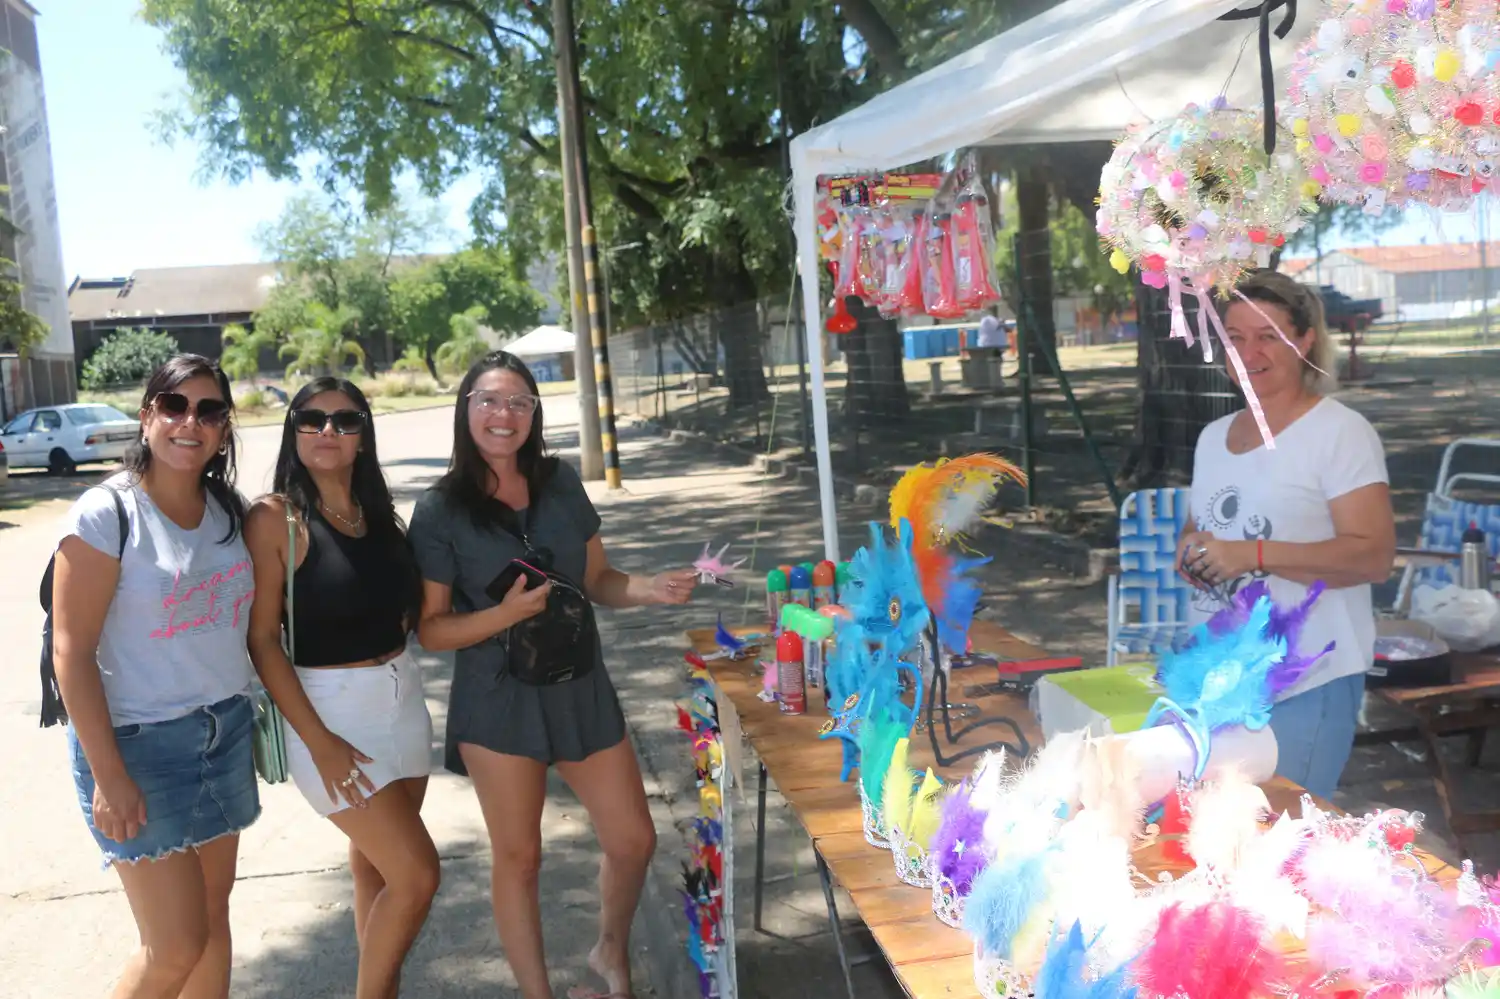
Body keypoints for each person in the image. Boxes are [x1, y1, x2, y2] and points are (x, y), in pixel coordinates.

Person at [408, 351, 698, 999]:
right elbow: (431, 628)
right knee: (519, 858)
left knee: (633, 839)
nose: (503, 414)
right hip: (498, 700)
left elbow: (598, 579)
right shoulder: (440, 508)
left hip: (579, 684)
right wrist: (504, 614)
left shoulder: (560, 481)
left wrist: (650, 587)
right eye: (488, 399)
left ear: (534, 413)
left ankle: (609, 949)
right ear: (465, 409)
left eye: (519, 401)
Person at [52, 354, 258, 999]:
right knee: (173, 948)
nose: (190, 422)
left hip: (224, 732)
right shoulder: (105, 513)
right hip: (138, 748)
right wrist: (108, 775)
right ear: (147, 417)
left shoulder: (227, 510)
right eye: (174, 406)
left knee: (213, 923)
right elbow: (71, 653)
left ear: (224, 428)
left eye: (209, 410)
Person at [244, 377, 436, 999]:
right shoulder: (275, 519)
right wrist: (320, 741)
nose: (328, 431)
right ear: (293, 430)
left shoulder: (378, 514)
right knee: (417, 875)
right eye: (312, 418)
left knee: (378, 873)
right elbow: (263, 641)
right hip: (330, 714)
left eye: (346, 421)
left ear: (363, 437)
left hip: (404, 701)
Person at [1178, 269, 1396, 799]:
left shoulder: (1339, 433)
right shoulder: (1212, 437)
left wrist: (1251, 554)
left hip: (1306, 682)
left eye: (1268, 336)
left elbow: (1373, 557)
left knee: (1285, 831)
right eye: (1235, 337)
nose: (1248, 353)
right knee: (1218, 833)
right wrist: (1191, 552)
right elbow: (1200, 528)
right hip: (1219, 676)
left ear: (1304, 341)